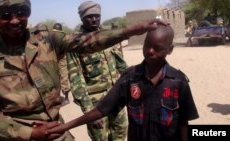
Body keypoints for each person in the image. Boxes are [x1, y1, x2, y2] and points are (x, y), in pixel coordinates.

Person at [0, 0, 167, 140]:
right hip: (18, 135)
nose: (14, 20)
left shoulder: (47, 40)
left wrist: (132, 30)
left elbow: (87, 41)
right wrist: (30, 133)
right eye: (5, 15)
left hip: (56, 131)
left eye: (21, 13)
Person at [48, 24, 199, 141]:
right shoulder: (130, 78)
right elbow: (101, 110)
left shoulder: (179, 82)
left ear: (170, 49)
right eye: (147, 45)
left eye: (157, 48)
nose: (150, 51)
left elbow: (183, 123)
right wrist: (64, 127)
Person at [66, 1, 128, 140]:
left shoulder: (108, 36)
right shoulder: (76, 43)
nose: (94, 19)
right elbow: (76, 79)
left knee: (120, 136)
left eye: (97, 16)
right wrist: (88, 111)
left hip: (117, 98)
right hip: (96, 105)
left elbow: (122, 66)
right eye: (89, 16)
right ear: (82, 18)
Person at [52, 23, 71, 106]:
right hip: (62, 58)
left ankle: (56, 98)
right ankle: (66, 98)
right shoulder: (65, 37)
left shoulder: (49, 36)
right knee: (64, 78)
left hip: (51, 58)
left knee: (53, 78)